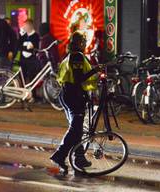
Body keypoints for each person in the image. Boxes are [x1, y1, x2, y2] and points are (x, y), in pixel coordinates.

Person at [50, 31, 102, 175]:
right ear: (79, 43)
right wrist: (95, 70)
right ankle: (59, 155)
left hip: (69, 94)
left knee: (77, 129)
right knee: (75, 128)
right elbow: (79, 78)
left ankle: (79, 158)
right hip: (73, 95)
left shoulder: (70, 56)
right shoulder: (77, 56)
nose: (85, 45)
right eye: (83, 42)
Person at [19, 19, 40, 83]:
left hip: (32, 60)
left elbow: (34, 48)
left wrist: (26, 47)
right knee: (22, 76)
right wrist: (21, 35)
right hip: (23, 59)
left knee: (32, 77)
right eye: (24, 26)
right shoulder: (23, 35)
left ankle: (33, 92)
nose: (24, 27)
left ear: (30, 26)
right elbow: (19, 46)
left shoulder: (36, 36)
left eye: (26, 26)